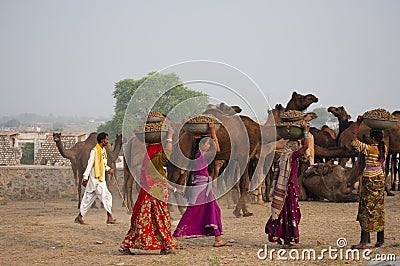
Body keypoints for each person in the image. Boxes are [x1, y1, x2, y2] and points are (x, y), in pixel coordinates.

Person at [120, 125, 178, 255]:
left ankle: (129, 244)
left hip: (149, 190)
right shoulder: (155, 154)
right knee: (160, 218)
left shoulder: (149, 152)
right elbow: (167, 155)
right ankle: (166, 244)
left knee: (144, 220)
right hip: (154, 191)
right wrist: (169, 137)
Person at [173, 123, 230, 247]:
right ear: (201, 145)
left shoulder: (198, 155)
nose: (209, 146)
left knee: (214, 209)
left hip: (203, 187)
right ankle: (175, 236)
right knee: (192, 212)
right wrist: (213, 132)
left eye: (209, 144)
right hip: (201, 188)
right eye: (207, 144)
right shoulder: (201, 155)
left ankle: (218, 239)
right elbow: (218, 149)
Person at [265, 121, 309, 248]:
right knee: (290, 214)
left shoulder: (282, 157)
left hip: (286, 189)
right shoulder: (291, 156)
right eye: (296, 146)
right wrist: (305, 130)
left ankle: (276, 234)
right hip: (289, 189)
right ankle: (287, 240)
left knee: (285, 213)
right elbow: (305, 146)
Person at [350, 122, 387, 249]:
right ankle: (380, 240)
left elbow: (353, 142)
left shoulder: (369, 149)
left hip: (369, 180)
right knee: (378, 209)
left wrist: (357, 124)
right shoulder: (384, 148)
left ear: (372, 138)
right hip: (380, 180)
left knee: (366, 210)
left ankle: (364, 242)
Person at [75, 132, 117, 225]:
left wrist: (109, 169)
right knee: (106, 196)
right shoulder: (94, 151)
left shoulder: (103, 151)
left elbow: (103, 164)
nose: (107, 141)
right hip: (95, 180)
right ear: (102, 140)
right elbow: (89, 165)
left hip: (100, 179)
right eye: (106, 139)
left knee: (88, 199)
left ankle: (80, 217)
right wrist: (85, 178)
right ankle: (109, 217)